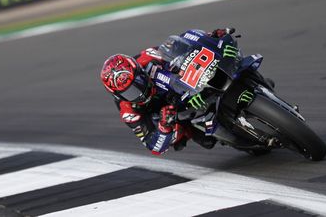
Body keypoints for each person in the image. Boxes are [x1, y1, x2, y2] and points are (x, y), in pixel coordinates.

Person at [100, 29, 233, 155]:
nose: (140, 91)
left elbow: (180, 46)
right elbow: (153, 145)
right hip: (166, 112)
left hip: (179, 86)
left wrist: (210, 37)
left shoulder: (148, 56)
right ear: (118, 95)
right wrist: (164, 127)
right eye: (130, 92)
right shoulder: (128, 112)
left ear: (140, 70)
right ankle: (194, 127)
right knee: (204, 140)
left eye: (139, 81)